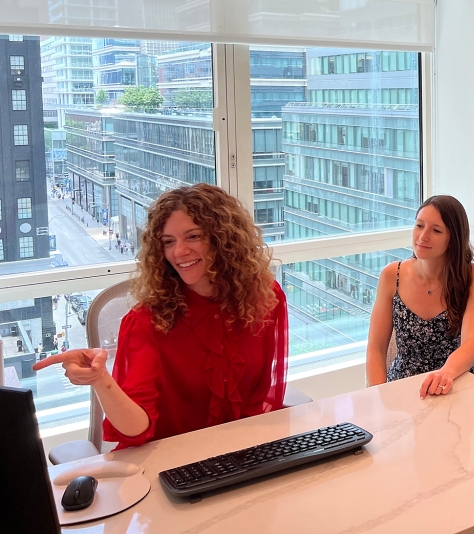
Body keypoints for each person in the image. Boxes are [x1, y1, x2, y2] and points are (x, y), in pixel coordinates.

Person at [33, 183, 288, 449]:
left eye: (193, 236)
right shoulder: (148, 322)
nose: (178, 252)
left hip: (241, 452)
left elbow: (259, 398)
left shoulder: (265, 298)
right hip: (169, 464)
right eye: (168, 242)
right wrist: (100, 380)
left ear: (224, 239)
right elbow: (136, 429)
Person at [365, 195, 474, 399]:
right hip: (401, 391)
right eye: (419, 226)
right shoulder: (391, 276)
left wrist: (445, 373)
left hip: (453, 387)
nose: (423, 236)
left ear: (453, 239)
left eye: (436, 230)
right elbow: (375, 349)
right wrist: (378, 395)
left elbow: (472, 344)